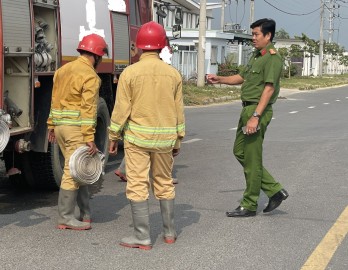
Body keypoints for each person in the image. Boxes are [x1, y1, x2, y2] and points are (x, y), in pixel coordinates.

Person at [108, 21, 185, 250]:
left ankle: (142, 236)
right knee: (164, 182)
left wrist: (113, 136)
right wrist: (178, 138)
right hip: (164, 140)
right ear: (162, 45)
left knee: (138, 184)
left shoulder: (130, 73)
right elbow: (178, 109)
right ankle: (169, 233)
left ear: (139, 46)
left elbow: (121, 109)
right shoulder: (173, 74)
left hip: (137, 140)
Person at [206, 18, 289, 217]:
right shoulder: (256, 55)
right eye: (252, 34)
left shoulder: (272, 57)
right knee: (240, 151)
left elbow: (268, 90)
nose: (252, 38)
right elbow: (242, 77)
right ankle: (275, 190)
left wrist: (256, 117)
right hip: (247, 110)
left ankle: (250, 204)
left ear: (268, 36)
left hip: (256, 111)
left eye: (256, 34)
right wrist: (221, 79)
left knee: (252, 158)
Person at [47, 33, 108, 229]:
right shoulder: (90, 76)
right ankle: (65, 217)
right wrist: (89, 137)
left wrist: (51, 125)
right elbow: (88, 109)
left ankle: (85, 213)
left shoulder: (62, 71)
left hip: (61, 128)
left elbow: (54, 100)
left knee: (77, 168)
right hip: (75, 130)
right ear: (97, 56)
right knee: (72, 173)